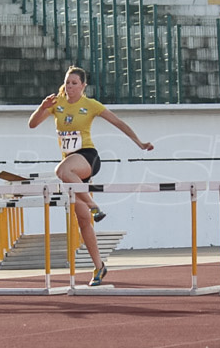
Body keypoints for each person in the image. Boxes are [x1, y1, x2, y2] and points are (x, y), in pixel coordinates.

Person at [29, 66, 154, 287]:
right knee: (83, 221)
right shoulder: (56, 103)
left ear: (83, 86)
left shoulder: (91, 105)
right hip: (74, 173)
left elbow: (119, 123)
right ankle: (99, 267)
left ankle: (94, 205)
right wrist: (42, 107)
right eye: (67, 83)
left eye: (74, 83)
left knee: (61, 171)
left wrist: (140, 143)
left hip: (87, 158)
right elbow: (32, 124)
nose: (69, 87)